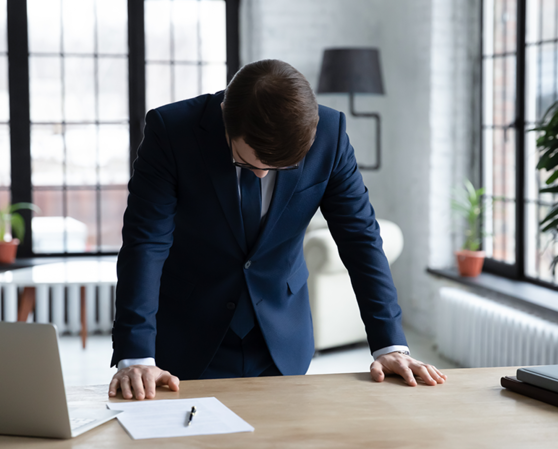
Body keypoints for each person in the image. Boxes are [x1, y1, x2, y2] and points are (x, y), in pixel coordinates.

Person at [108, 59, 447, 400]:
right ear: (226, 116)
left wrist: (389, 345)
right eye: (247, 163)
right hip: (187, 334)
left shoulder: (330, 133)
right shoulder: (171, 130)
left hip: (282, 336)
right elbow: (145, 242)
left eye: (279, 166)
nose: (262, 175)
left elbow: (361, 238)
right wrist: (136, 354)